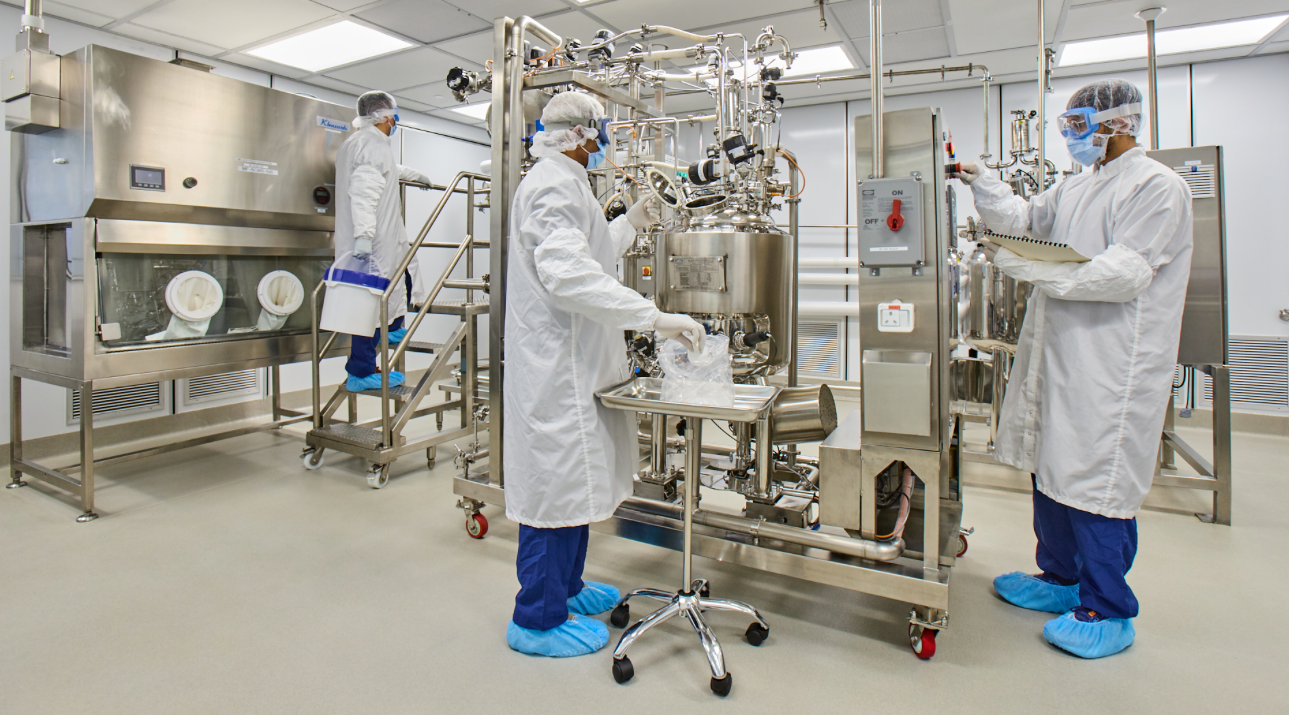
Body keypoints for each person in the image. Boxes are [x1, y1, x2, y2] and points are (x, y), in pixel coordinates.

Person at [955, 79, 1193, 659]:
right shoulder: (1077, 188)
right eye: (1067, 125)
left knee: (1094, 478)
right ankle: (1059, 579)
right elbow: (1023, 220)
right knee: (1050, 465)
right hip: (1060, 352)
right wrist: (983, 181)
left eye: (1079, 124)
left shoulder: (1156, 186)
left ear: (1120, 123)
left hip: (1112, 364)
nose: (1071, 135)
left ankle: (1108, 608)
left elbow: (1121, 275)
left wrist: (1021, 267)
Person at [503, 91, 705, 658]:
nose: (606, 141)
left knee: (578, 482)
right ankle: (536, 619)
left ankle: (568, 588)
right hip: (556, 368)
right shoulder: (549, 184)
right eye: (602, 131)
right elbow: (569, 278)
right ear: (582, 135)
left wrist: (629, 222)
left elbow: (585, 255)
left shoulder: (567, 182)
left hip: (577, 363)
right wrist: (655, 318)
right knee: (555, 487)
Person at [334, 90, 432, 392]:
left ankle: (391, 328)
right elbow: (364, 192)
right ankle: (361, 372)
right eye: (394, 114)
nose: (396, 119)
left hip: (381, 239)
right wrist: (364, 236)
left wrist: (413, 175)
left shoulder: (366, 143)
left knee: (388, 289)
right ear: (384, 116)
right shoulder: (369, 144)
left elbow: (384, 173)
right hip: (372, 243)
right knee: (368, 305)